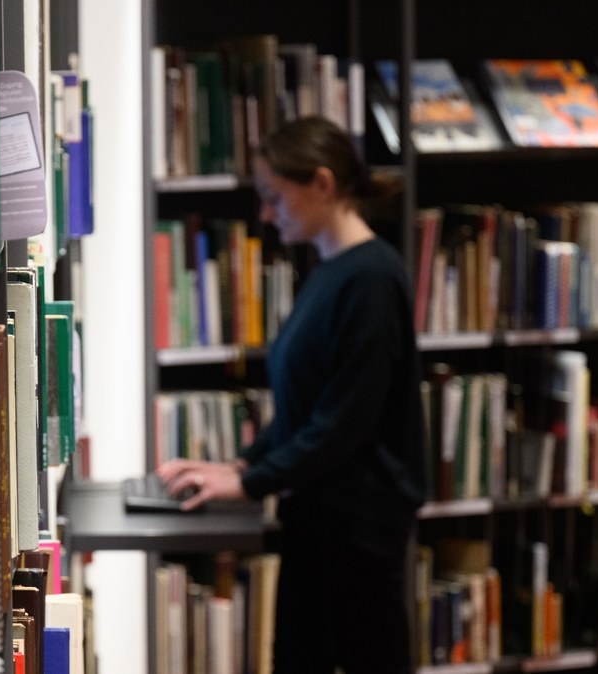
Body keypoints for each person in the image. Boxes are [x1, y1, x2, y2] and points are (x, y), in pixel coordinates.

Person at [156, 115, 426, 674]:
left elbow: (344, 422)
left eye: (274, 196)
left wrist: (252, 481)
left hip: (357, 529)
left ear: (323, 185)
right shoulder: (328, 270)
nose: (265, 213)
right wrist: (240, 464)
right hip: (320, 517)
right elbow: (305, 407)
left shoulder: (372, 278)